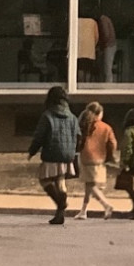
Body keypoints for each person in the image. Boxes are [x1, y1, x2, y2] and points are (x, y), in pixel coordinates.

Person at [26, 85, 79, 225]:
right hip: (68, 154)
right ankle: (60, 214)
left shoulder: (47, 115)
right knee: (61, 182)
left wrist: (32, 151)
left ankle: (60, 204)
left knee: (44, 179)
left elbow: (39, 136)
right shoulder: (72, 117)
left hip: (52, 152)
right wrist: (73, 150)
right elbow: (78, 135)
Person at [75, 101, 117, 220]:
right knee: (90, 185)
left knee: (90, 185)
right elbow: (113, 143)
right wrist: (110, 155)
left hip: (86, 157)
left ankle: (106, 205)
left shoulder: (84, 124)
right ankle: (83, 211)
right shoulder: (106, 127)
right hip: (100, 158)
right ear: (99, 114)